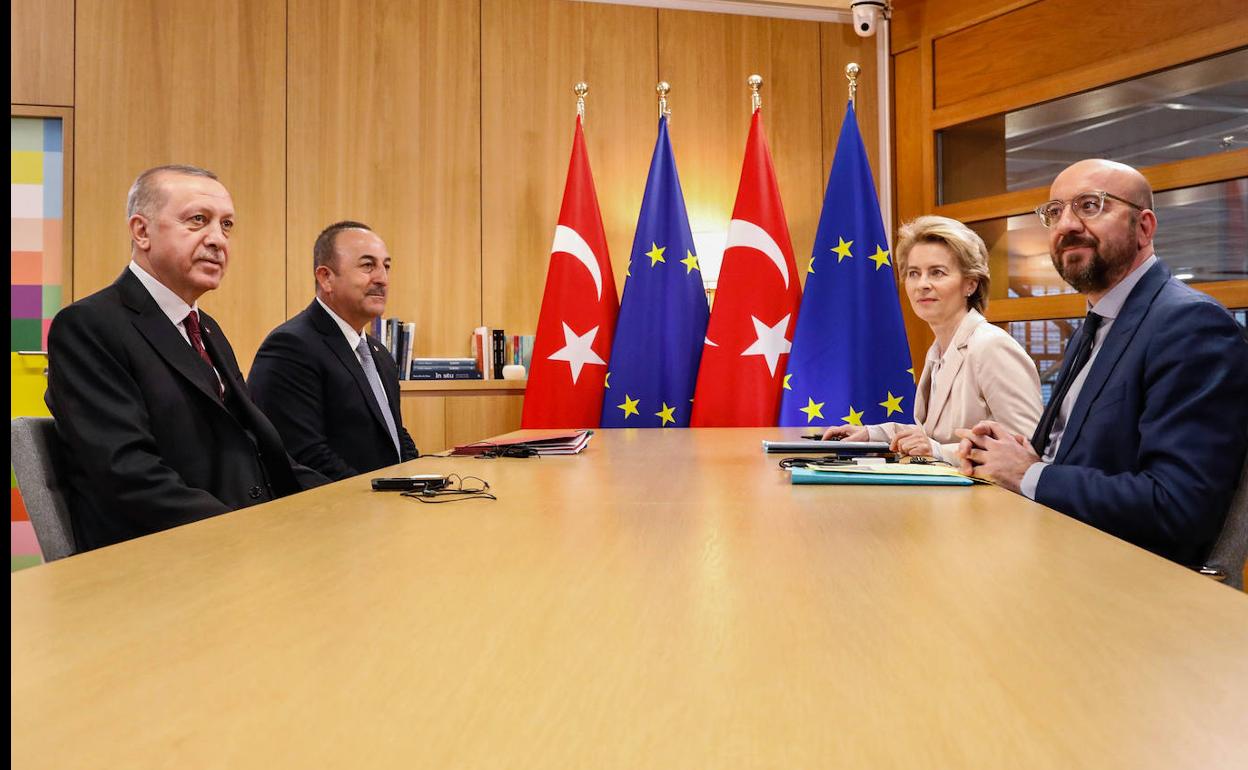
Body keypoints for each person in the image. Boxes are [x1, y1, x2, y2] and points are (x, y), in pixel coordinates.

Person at [957, 159, 1248, 565]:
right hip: (1050, 550)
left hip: (1124, 584)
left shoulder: (1191, 324)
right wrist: (1009, 453)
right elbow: (1082, 457)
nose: (1066, 225)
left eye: (1090, 205)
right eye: (1054, 212)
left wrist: (1029, 474)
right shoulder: (1094, 325)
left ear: (1144, 227)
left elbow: (1177, 507)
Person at [45, 165, 327, 551]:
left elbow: (256, 446)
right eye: (198, 220)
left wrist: (341, 501)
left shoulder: (205, 327)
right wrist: (251, 534)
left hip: (238, 543)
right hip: (162, 562)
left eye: (227, 226)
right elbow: (128, 473)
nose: (218, 240)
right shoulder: (88, 326)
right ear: (141, 231)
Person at [823, 215, 1042, 460]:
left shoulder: (991, 346)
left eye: (937, 273)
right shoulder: (940, 350)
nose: (922, 284)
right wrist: (872, 434)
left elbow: (1027, 447)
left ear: (970, 284)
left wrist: (937, 451)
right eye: (914, 273)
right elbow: (935, 434)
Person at [248, 221, 417, 480]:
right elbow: (305, 455)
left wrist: (420, 480)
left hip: (389, 510)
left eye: (386, 266)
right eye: (367, 265)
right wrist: (375, 501)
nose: (382, 278)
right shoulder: (290, 347)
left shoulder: (379, 353)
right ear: (326, 277)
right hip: (335, 512)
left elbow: (395, 434)